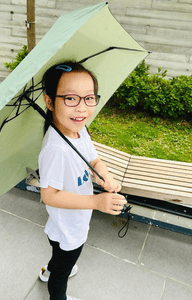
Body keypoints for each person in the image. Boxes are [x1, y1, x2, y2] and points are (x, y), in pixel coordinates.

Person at [38, 61, 127, 300]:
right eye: (70, 98)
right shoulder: (56, 148)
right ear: (49, 102)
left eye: (89, 98)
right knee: (63, 268)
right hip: (69, 226)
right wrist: (97, 202)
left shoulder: (79, 130)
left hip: (68, 222)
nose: (81, 109)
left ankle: (52, 269)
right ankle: (58, 291)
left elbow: (94, 160)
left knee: (60, 256)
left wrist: (105, 176)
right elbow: (48, 195)